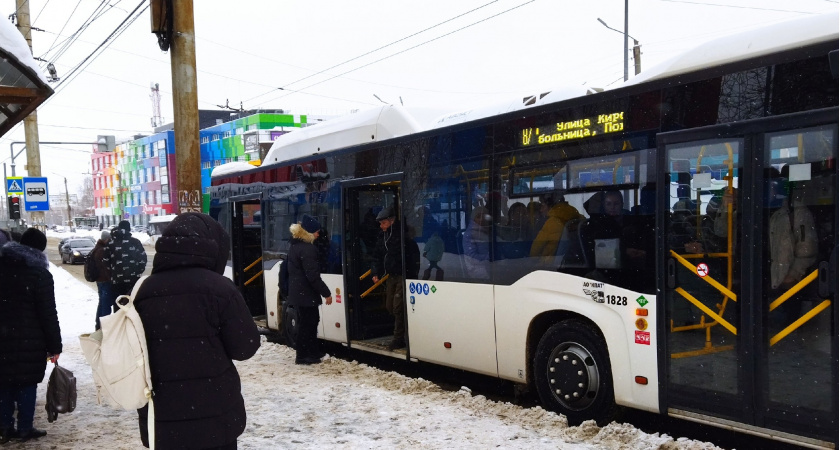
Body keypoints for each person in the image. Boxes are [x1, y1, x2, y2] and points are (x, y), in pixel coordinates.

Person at [133, 213, 260, 449]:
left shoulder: (143, 291)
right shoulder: (220, 289)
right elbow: (245, 347)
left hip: (163, 415)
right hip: (216, 414)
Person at [0, 228, 62, 443]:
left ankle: (5, 427)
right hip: (31, 339)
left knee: (4, 382)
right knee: (26, 384)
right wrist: (55, 345)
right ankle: (25, 427)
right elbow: (48, 313)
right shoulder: (40, 274)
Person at [286, 215, 333, 365]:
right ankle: (304, 355)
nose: (319, 234)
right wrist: (326, 293)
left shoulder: (295, 246)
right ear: (309, 233)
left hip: (299, 293)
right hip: (306, 294)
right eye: (317, 232)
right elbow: (312, 275)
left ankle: (311, 352)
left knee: (307, 323)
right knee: (309, 324)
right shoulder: (308, 249)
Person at [371, 206, 408, 350]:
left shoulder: (401, 236)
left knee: (397, 307)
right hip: (391, 276)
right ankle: (402, 332)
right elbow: (377, 256)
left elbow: (407, 255)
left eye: (383, 223)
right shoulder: (383, 237)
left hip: (401, 275)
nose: (381, 226)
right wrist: (375, 272)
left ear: (391, 221)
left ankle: (398, 338)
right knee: (390, 306)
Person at [104, 220, 147, 307]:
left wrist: (113, 274)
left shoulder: (110, 243)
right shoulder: (135, 242)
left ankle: (119, 320)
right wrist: (136, 272)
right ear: (129, 229)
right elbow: (143, 260)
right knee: (132, 306)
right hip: (133, 281)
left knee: (118, 307)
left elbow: (105, 262)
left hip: (116, 282)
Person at [530, 195, 582, 264]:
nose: (541, 210)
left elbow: (534, 252)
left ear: (551, 206)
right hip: (574, 263)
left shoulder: (551, 223)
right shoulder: (580, 218)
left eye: (543, 206)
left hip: (550, 266)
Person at [91, 230, 113, 330]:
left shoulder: (97, 248)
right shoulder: (102, 251)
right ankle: (105, 327)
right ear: (106, 239)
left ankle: (98, 325)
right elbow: (105, 268)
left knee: (102, 304)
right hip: (104, 281)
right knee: (106, 305)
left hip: (100, 281)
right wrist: (111, 278)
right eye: (109, 239)